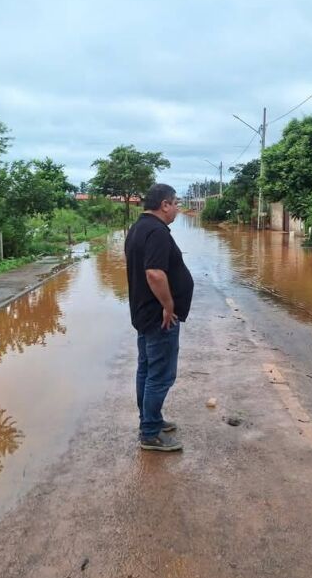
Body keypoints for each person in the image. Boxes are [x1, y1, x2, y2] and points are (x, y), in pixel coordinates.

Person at [124, 183, 194, 451]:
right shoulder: (156, 232)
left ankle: (151, 419)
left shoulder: (139, 228)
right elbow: (154, 273)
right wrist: (168, 305)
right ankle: (150, 433)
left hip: (144, 312)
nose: (177, 207)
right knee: (161, 374)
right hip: (158, 316)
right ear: (164, 205)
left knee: (147, 369)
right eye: (175, 203)